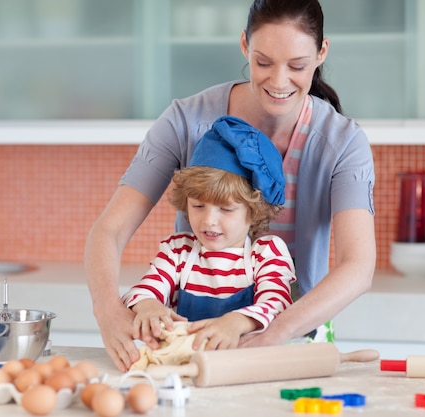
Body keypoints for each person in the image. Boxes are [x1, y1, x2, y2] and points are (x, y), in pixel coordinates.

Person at [84, 0, 376, 372]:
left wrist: (270, 334)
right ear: (244, 46)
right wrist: (110, 312)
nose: (279, 81)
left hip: (293, 334)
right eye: (263, 62)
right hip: (194, 340)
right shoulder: (185, 121)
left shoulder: (342, 142)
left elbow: (358, 267)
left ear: (322, 53)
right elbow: (109, 230)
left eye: (297, 66)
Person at [121, 115, 296, 352]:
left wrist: (236, 322)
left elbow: (276, 304)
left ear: (255, 211)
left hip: (246, 365)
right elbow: (145, 289)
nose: (209, 221)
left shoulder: (265, 253)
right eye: (198, 206)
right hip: (190, 366)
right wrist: (148, 305)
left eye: (226, 209)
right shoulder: (178, 251)